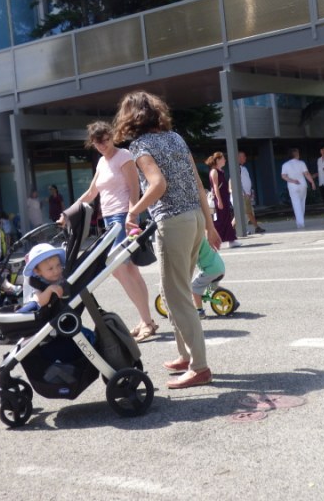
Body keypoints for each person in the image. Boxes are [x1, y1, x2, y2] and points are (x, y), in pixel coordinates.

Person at [113, 90, 221, 389]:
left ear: (130, 116)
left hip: (173, 222)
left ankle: (199, 368)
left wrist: (133, 211)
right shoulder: (175, 138)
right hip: (194, 218)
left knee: (177, 296)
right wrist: (210, 226)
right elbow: (197, 183)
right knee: (175, 290)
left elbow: (158, 184)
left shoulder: (140, 145)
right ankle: (185, 356)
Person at [75, 121, 156, 343]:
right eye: (97, 142)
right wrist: (69, 211)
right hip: (110, 220)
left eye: (106, 140)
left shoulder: (124, 156)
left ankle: (147, 321)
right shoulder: (102, 162)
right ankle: (146, 319)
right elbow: (92, 192)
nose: (103, 145)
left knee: (119, 269)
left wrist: (132, 215)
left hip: (122, 217)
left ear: (112, 137)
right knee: (129, 271)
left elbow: (134, 188)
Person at [17, 243, 94, 362]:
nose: (56, 271)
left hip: (63, 316)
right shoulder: (37, 283)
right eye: (50, 269)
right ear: (38, 272)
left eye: (58, 265)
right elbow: (40, 301)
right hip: (47, 319)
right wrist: (48, 291)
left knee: (88, 335)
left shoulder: (63, 277)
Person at [206, 152, 240, 248]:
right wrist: (219, 201)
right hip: (220, 198)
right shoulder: (214, 171)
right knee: (220, 221)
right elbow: (215, 187)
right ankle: (213, 240)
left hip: (224, 197)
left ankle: (230, 239)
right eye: (223, 158)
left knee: (226, 219)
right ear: (218, 160)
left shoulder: (220, 171)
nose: (225, 160)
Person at [281, 148, 316, 228]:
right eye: (298, 153)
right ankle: (300, 220)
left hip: (292, 186)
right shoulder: (301, 163)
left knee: (296, 203)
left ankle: (300, 222)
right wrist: (312, 182)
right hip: (302, 185)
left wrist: (292, 181)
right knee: (302, 202)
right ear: (296, 154)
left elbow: (283, 176)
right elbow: (306, 174)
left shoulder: (285, 165)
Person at [192, 237, 225, 319]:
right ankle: (231, 300)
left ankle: (199, 311)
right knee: (212, 286)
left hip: (210, 270)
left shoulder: (193, 241)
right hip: (220, 267)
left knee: (194, 287)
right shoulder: (202, 236)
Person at [233, 151, 265, 234]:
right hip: (242, 195)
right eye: (243, 156)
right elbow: (237, 181)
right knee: (243, 213)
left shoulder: (243, 168)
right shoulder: (237, 168)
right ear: (238, 158)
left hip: (247, 195)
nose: (245, 158)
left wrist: (249, 192)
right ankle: (233, 228)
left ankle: (256, 227)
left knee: (248, 212)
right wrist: (243, 192)